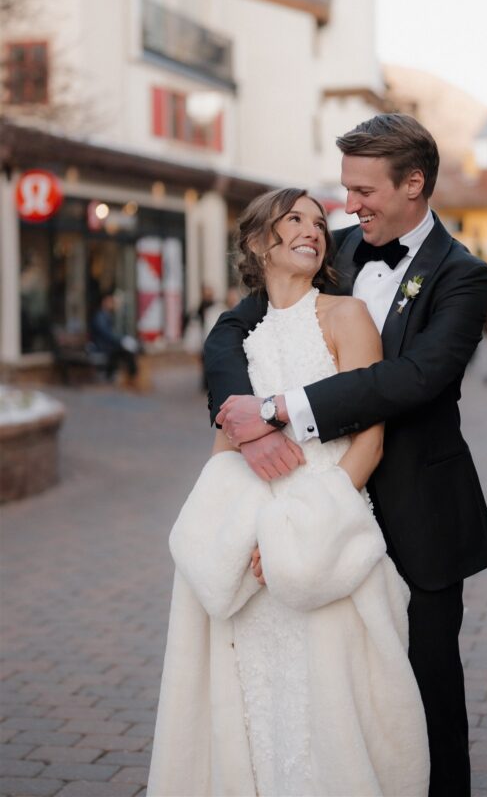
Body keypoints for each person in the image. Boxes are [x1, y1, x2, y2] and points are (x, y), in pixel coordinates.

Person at [207, 114, 487, 797]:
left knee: (424, 691)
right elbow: (231, 333)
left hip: (417, 512)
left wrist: (280, 410)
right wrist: (238, 415)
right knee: (332, 684)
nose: (348, 206)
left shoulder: (464, 275)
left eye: (364, 190)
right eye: (344, 188)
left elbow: (416, 378)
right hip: (317, 499)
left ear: (413, 184)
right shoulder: (329, 247)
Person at [147, 189, 429, 796]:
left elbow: (369, 443)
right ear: (257, 243)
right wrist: (234, 536)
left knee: (328, 701)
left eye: (320, 222)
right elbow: (226, 449)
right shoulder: (242, 333)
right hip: (254, 541)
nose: (313, 230)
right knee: (258, 701)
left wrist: (300, 536)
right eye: (294, 219)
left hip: (322, 534)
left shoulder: (346, 316)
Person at [90, 292, 138, 381]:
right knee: (124, 351)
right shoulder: (100, 316)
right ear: (104, 302)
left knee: (127, 352)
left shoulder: (107, 315)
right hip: (101, 346)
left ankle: (129, 375)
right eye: (111, 302)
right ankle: (131, 376)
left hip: (106, 346)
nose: (113, 304)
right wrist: (121, 340)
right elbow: (106, 334)